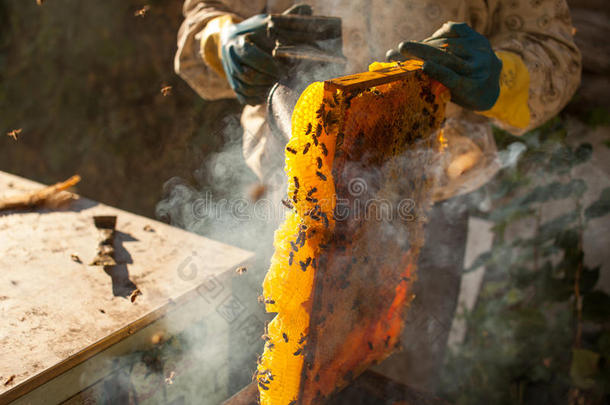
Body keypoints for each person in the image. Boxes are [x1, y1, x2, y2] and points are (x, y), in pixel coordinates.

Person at [175, 0, 581, 393]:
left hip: (425, 210)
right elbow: (202, 15)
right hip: (283, 198)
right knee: (266, 375)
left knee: (393, 382)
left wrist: (503, 74)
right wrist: (220, 38)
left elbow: (554, 50)